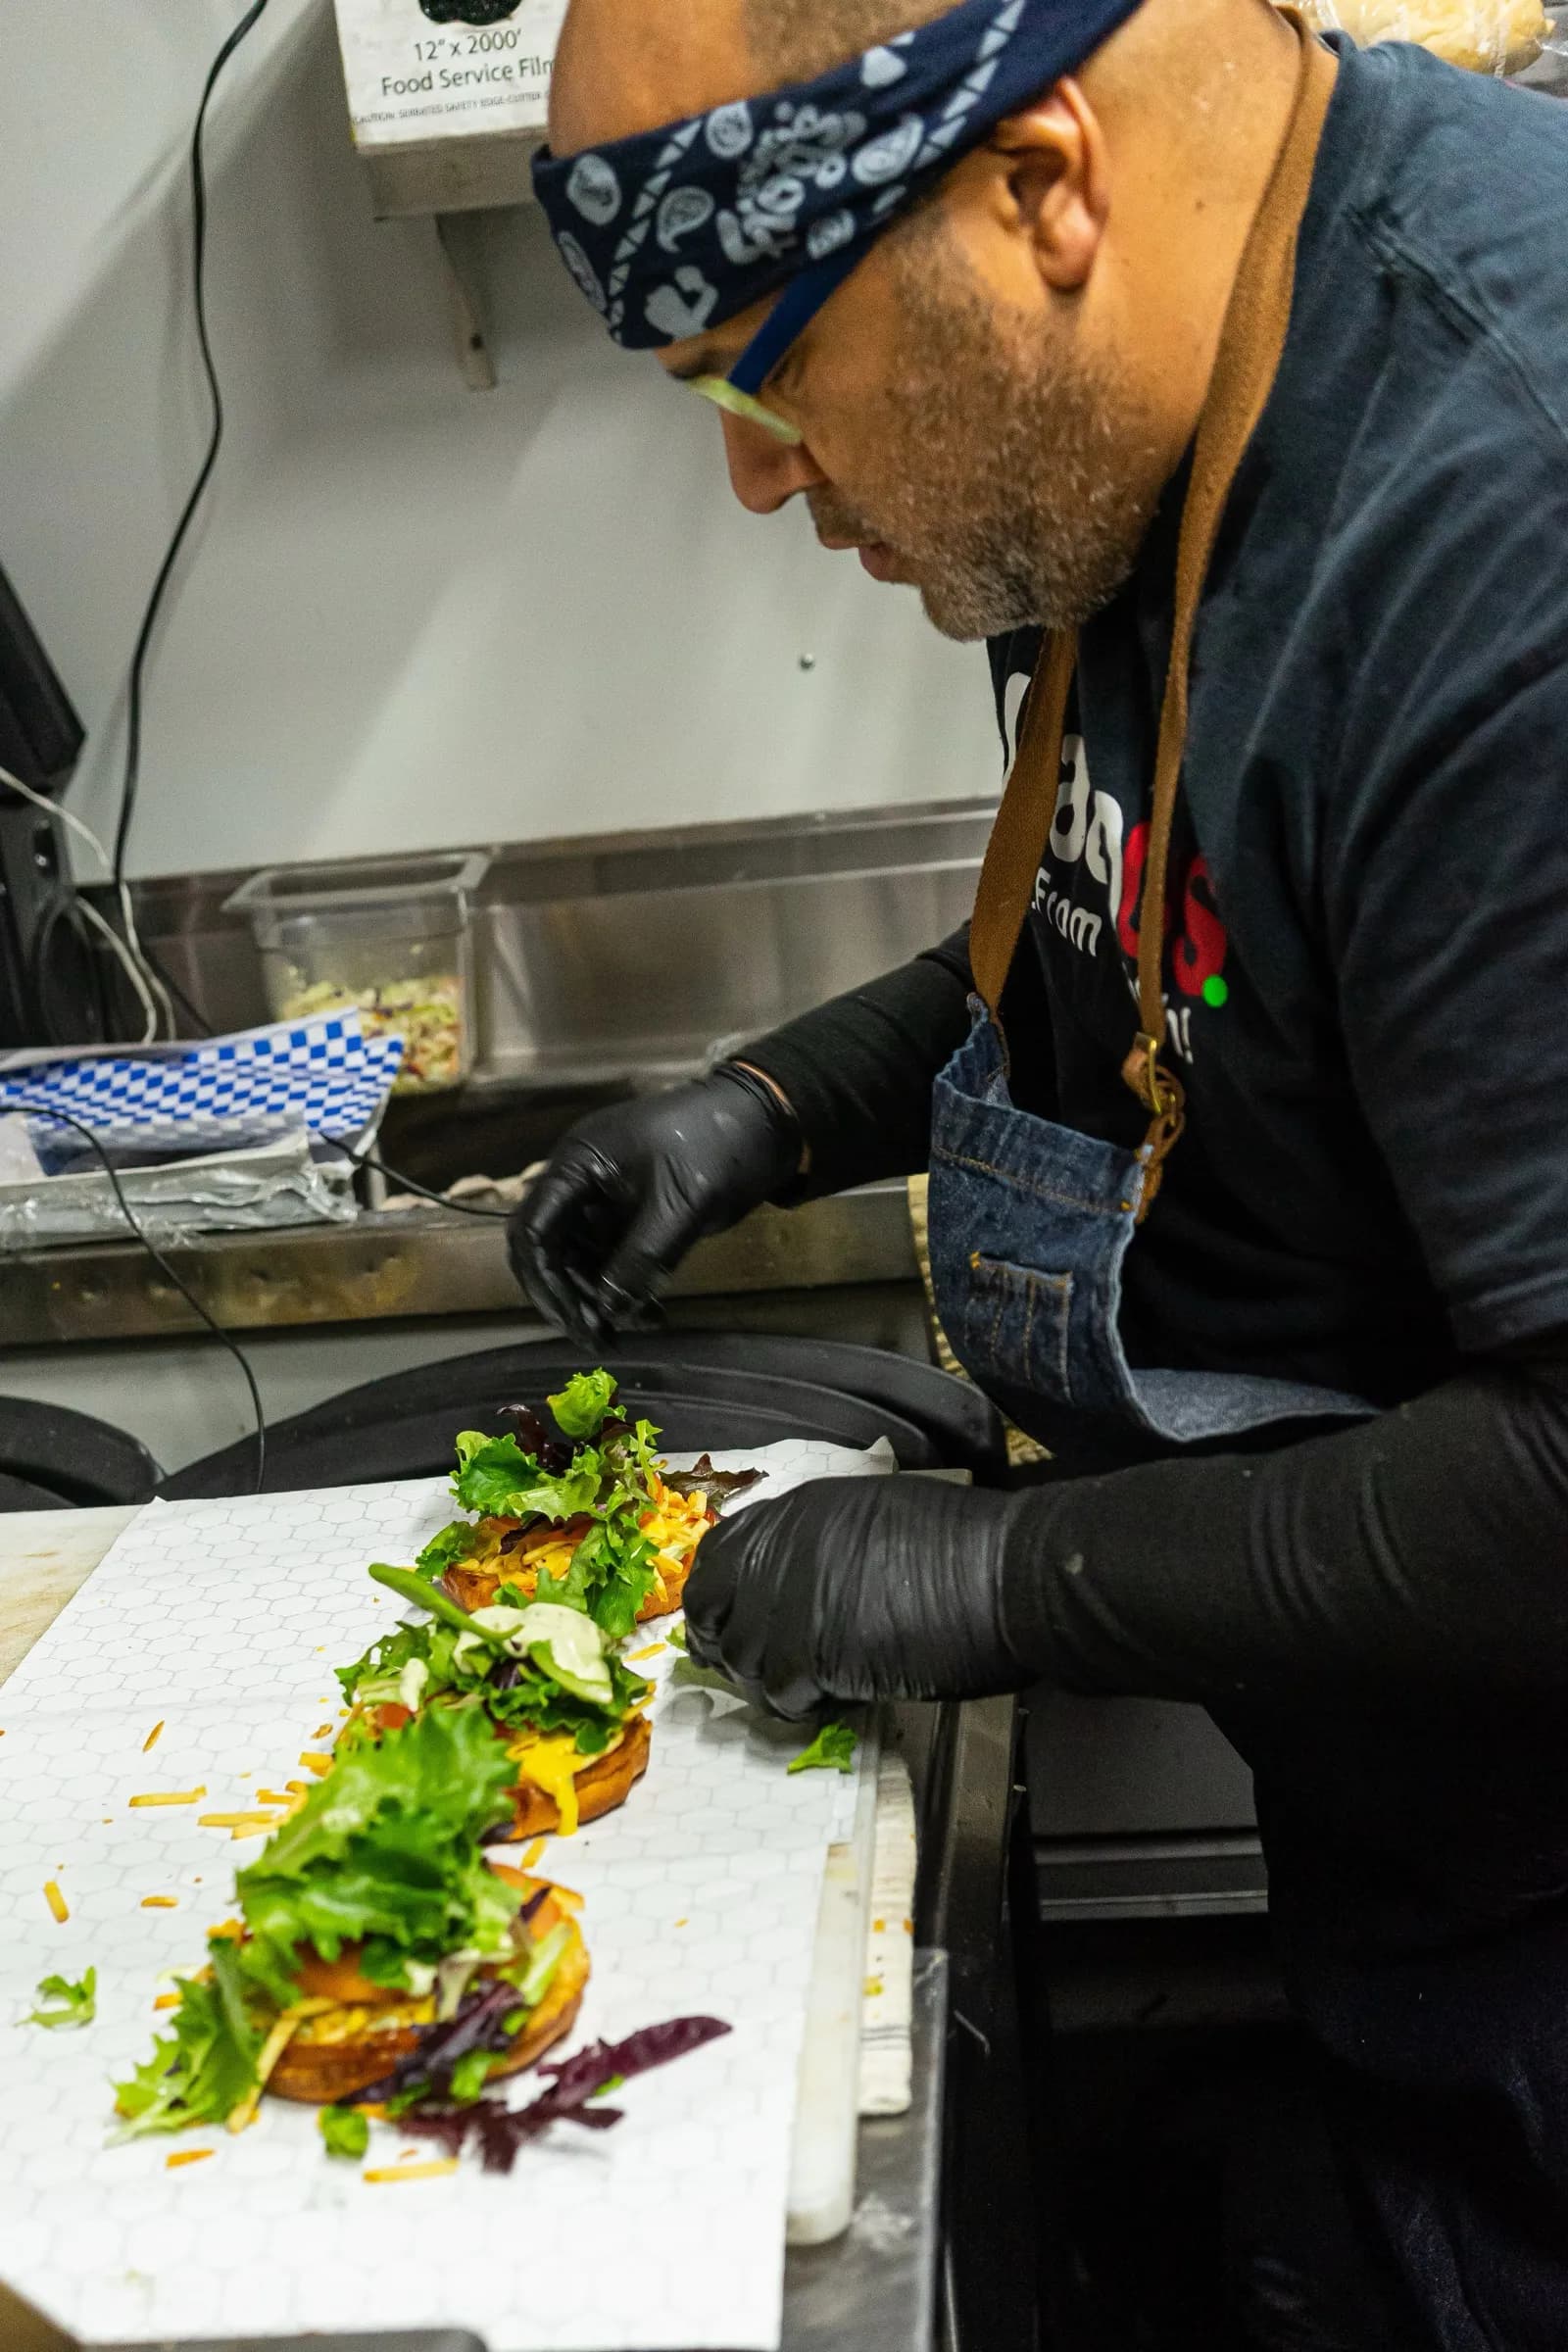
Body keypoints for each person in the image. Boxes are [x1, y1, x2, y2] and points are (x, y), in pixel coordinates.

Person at [514, 0, 1568, 2342]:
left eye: (755, 375)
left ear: (1036, 185)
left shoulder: (1505, 510)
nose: (761, 483)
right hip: (1427, 1866)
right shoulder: (1203, 383)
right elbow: (1180, 913)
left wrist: (998, 1583)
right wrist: (773, 1104)